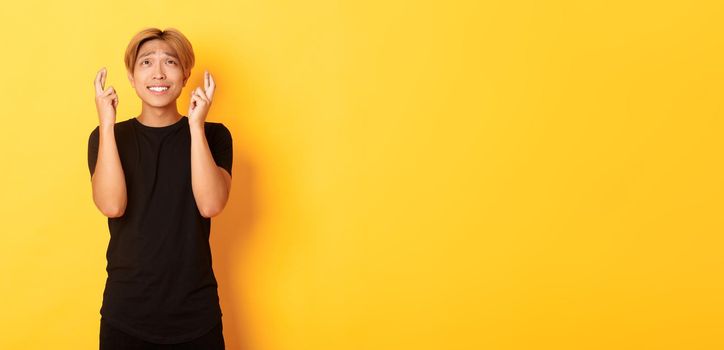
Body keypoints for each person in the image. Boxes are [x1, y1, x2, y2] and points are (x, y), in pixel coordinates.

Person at [87, 27, 232, 349]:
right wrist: (107, 126)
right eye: (146, 62)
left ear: (185, 75)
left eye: (170, 62)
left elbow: (211, 205)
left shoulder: (214, 135)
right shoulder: (108, 137)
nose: (158, 73)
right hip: (125, 315)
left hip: (197, 315)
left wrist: (195, 127)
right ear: (131, 75)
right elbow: (112, 206)